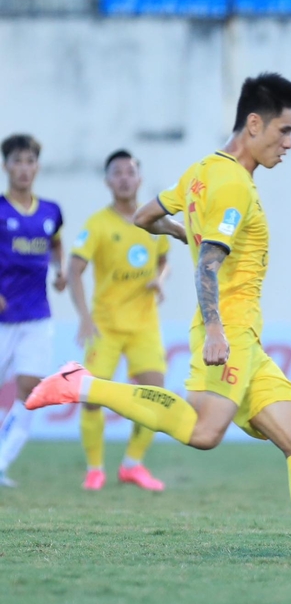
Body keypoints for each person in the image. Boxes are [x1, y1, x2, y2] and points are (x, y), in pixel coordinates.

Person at [27, 73, 291, 565]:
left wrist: (178, 230)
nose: (289, 143)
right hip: (229, 331)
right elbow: (209, 263)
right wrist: (215, 329)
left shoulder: (203, 170)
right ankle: (83, 384)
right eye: (284, 130)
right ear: (254, 123)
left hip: (246, 336)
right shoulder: (232, 187)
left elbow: (142, 216)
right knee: (205, 433)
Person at [67, 149, 171, 491]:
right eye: (117, 172)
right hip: (105, 326)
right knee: (92, 396)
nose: (125, 177)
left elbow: (164, 259)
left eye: (130, 171)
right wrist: (84, 317)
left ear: (139, 178)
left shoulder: (153, 221)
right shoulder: (97, 224)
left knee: (155, 394)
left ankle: (132, 465)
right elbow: (74, 269)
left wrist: (162, 279)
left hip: (143, 324)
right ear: (108, 181)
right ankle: (95, 468)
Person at [0, 134, 66, 487]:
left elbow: (56, 244)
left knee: (30, 388)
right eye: (17, 161)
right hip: (2, 317)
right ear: (6, 165)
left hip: (37, 315)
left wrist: (60, 272)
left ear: (37, 166)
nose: (24, 169)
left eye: (30, 161)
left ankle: (2, 461)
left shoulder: (50, 211)